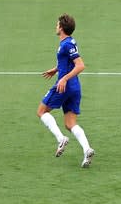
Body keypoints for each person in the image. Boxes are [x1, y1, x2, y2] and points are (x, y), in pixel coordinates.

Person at [36, 13, 95, 168]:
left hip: (65, 86)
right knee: (70, 123)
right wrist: (56, 69)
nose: (55, 27)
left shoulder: (66, 44)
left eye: (57, 25)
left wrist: (63, 78)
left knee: (42, 111)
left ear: (61, 28)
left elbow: (80, 65)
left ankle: (60, 138)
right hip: (75, 87)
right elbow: (67, 62)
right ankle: (87, 149)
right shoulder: (68, 42)